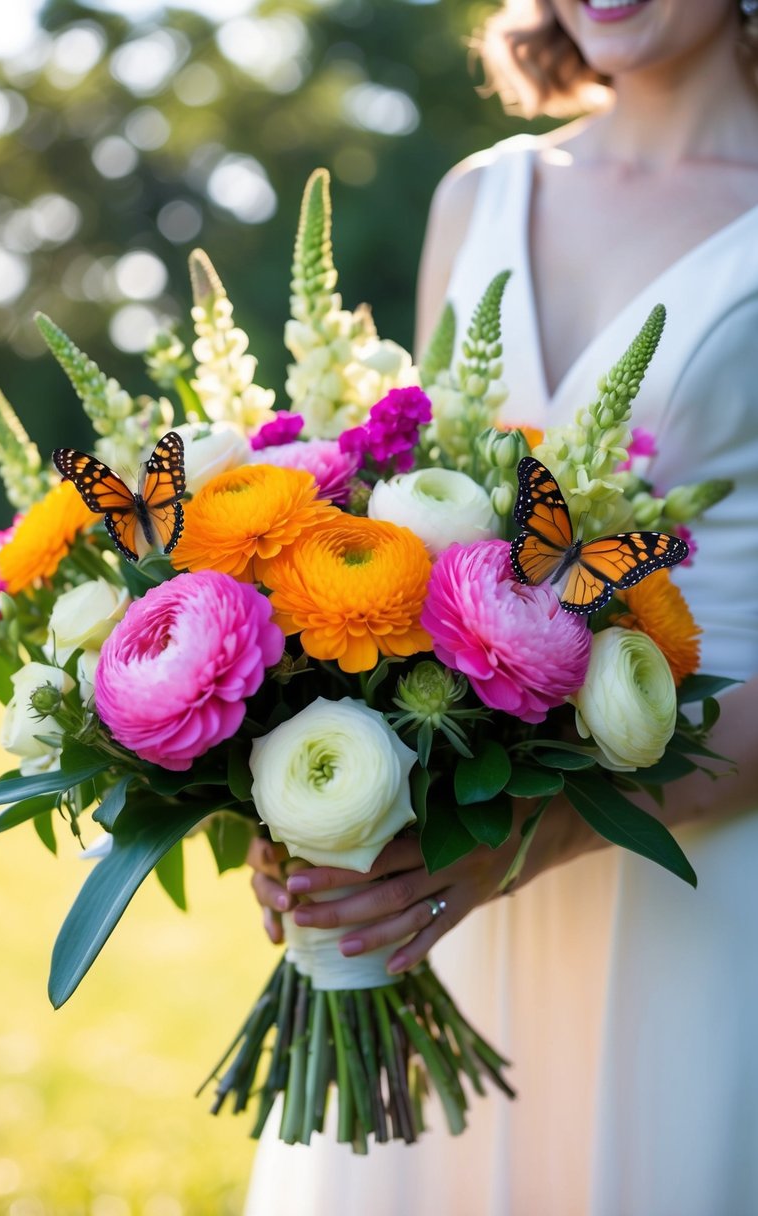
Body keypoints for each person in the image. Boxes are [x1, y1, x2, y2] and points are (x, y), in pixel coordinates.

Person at [245, 1, 758, 1212]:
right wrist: (315, 793)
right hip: (458, 864)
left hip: (704, 867)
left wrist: (541, 836)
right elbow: (421, 516)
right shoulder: (480, 193)